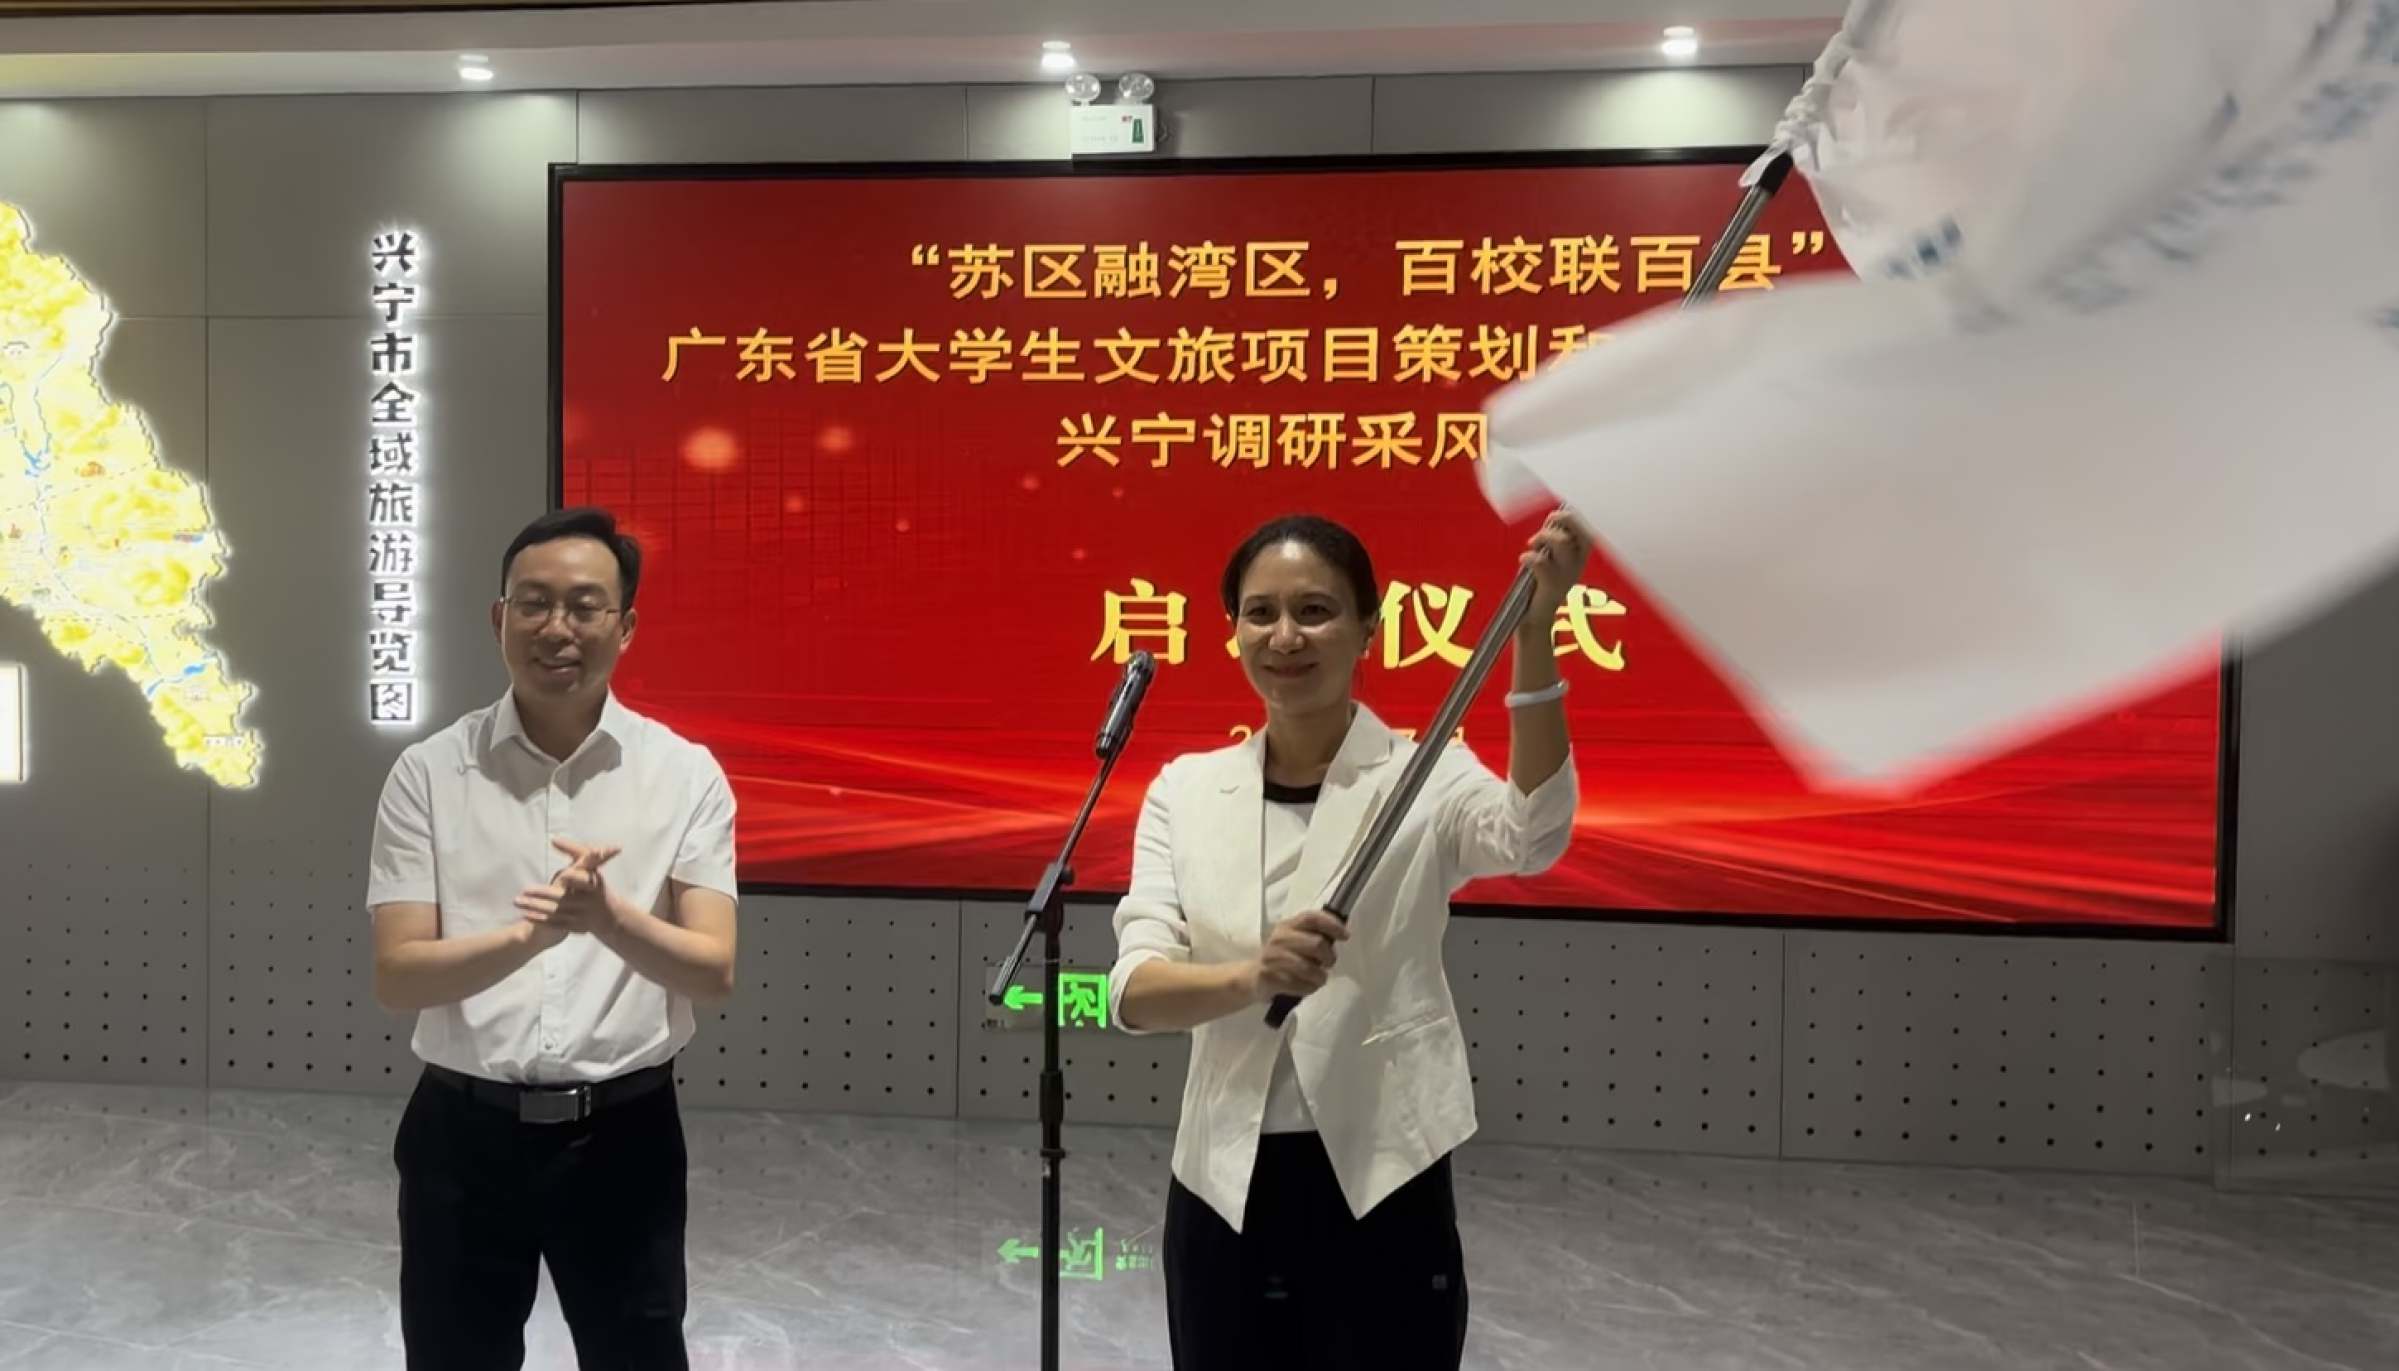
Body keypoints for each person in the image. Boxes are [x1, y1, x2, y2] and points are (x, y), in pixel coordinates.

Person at [1108, 509, 1588, 1369]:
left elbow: (1533, 833)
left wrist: (1533, 633)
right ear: (1233, 630)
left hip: (1383, 1172)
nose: (1285, 636)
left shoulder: (1426, 775)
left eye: (1315, 610)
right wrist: (1251, 976)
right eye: (1260, 612)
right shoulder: (1186, 790)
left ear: (1368, 627)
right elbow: (1134, 990)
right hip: (1224, 1182)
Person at [366, 506, 739, 1371]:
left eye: (583, 605)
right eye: (532, 603)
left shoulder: (684, 773)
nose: (555, 627)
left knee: (637, 1356)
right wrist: (528, 937)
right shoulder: (429, 772)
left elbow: (712, 970)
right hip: (462, 1136)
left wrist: (608, 918)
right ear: (498, 618)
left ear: (625, 626)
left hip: (624, 1134)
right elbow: (398, 976)